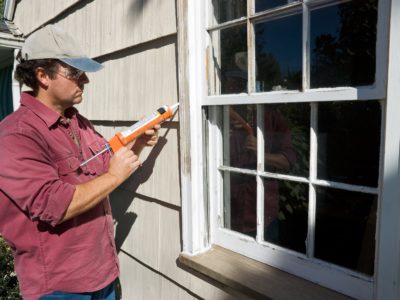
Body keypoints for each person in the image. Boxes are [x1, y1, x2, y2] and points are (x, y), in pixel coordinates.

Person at [0, 24, 159, 299]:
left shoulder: (77, 122)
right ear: (42, 76)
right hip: (61, 287)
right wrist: (114, 177)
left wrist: (139, 145)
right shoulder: (16, 134)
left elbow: (105, 164)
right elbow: (54, 206)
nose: (85, 79)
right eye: (75, 72)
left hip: (103, 274)